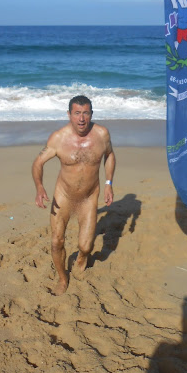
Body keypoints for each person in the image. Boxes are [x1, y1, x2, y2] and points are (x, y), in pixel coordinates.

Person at [32, 95, 116, 295]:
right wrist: (39, 187)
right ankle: (63, 278)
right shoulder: (58, 138)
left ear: (91, 114)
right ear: (69, 114)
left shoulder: (102, 134)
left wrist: (108, 183)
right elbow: (38, 162)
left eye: (85, 113)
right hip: (64, 196)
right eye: (77, 113)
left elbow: (110, 155)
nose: (81, 118)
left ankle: (82, 257)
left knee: (85, 247)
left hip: (89, 197)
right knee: (56, 242)